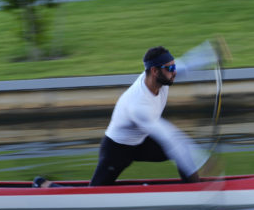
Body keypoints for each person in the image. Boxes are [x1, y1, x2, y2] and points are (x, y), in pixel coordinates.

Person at [33, 40, 227, 188]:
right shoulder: (139, 105)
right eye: (170, 69)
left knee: (181, 152)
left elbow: (188, 64)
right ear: (154, 71)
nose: (175, 71)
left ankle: (193, 189)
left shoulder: (162, 77)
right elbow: (169, 136)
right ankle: (45, 185)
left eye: (173, 67)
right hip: (117, 150)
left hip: (141, 142)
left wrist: (212, 53)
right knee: (93, 196)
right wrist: (204, 159)